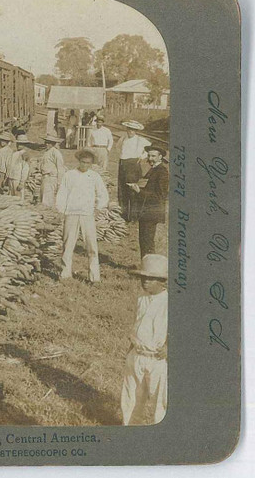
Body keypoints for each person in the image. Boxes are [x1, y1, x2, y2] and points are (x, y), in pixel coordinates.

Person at [121, 254, 168, 426]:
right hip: (137, 353)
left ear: (162, 281)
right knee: (131, 395)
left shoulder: (168, 302)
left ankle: (160, 432)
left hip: (156, 357)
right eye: (143, 278)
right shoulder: (141, 299)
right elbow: (137, 325)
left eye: (150, 279)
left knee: (159, 399)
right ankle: (129, 428)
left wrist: (168, 346)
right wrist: (130, 349)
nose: (145, 282)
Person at [56, 149, 109, 283]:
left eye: (88, 163)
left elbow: (103, 194)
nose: (85, 165)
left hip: (87, 214)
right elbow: (62, 193)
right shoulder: (70, 175)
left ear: (91, 164)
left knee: (91, 246)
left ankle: (94, 277)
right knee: (68, 245)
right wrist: (61, 210)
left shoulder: (95, 176)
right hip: (71, 213)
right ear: (79, 161)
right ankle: (65, 274)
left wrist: (99, 208)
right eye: (83, 162)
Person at [129, 147, 168, 258]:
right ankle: (145, 266)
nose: (150, 158)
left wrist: (139, 191)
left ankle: (151, 268)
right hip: (146, 211)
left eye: (153, 156)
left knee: (147, 242)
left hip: (152, 212)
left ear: (160, 157)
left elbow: (160, 196)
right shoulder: (153, 169)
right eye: (149, 156)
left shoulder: (162, 172)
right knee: (144, 241)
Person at [117, 120, 151, 221]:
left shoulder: (140, 140)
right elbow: (118, 147)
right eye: (129, 129)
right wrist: (123, 157)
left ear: (136, 131)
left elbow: (150, 148)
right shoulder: (123, 138)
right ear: (126, 129)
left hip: (133, 166)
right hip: (123, 165)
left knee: (133, 190)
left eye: (133, 129)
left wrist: (142, 156)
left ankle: (133, 216)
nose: (130, 131)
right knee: (122, 190)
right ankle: (124, 214)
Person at [39, 134, 66, 208]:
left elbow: (60, 168)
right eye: (46, 142)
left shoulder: (56, 153)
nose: (46, 144)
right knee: (43, 198)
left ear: (53, 143)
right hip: (45, 177)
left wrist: (59, 182)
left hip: (51, 178)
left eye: (49, 142)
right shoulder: (46, 152)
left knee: (48, 200)